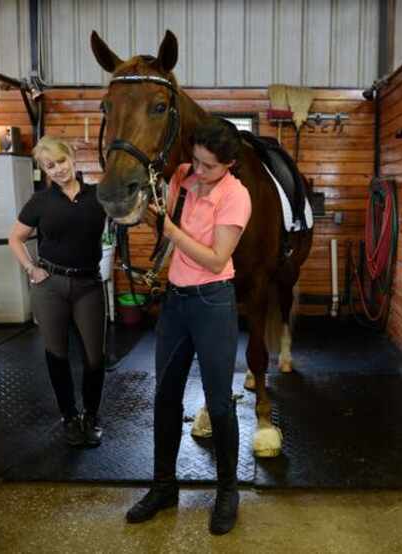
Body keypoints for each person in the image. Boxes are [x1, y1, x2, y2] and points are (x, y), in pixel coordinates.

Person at [125, 118, 251, 535]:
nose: (198, 170)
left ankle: (228, 491)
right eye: (195, 161)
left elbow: (216, 259)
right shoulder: (182, 175)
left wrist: (171, 230)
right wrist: (140, 211)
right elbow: (163, 228)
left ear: (229, 164)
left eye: (209, 166)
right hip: (176, 302)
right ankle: (163, 487)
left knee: (218, 403)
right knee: (165, 397)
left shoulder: (236, 196)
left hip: (213, 302)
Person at [8, 136, 108, 448]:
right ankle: (69, 417)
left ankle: (91, 416)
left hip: (89, 285)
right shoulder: (40, 201)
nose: (59, 170)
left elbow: (128, 211)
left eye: (61, 162)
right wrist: (31, 269)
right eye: (50, 166)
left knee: (94, 357)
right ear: (44, 170)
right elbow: (15, 238)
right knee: (57, 353)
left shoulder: (99, 195)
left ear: (72, 158)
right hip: (50, 285)